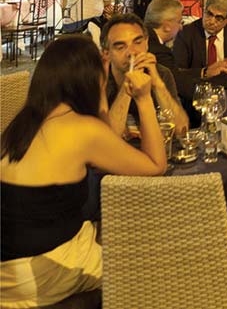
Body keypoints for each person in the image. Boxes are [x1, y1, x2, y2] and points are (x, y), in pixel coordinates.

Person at [0, 35, 166, 307]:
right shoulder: (82, 131)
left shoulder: (24, 122)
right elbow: (155, 165)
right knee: (143, 257)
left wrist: (98, 89)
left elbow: (102, 141)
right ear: (88, 81)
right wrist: (145, 99)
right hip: (42, 272)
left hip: (9, 269)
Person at [102, 14, 188, 139]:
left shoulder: (161, 73)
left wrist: (157, 84)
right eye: (121, 47)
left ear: (146, 43)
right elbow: (107, 140)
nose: (132, 52)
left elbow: (181, 130)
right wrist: (128, 85)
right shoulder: (99, 79)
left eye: (137, 42)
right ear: (107, 53)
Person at [173, 0, 227, 88]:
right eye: (209, 14)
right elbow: (177, 73)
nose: (211, 21)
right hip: (196, 91)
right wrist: (205, 72)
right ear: (204, 9)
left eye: (219, 18)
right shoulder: (186, 34)